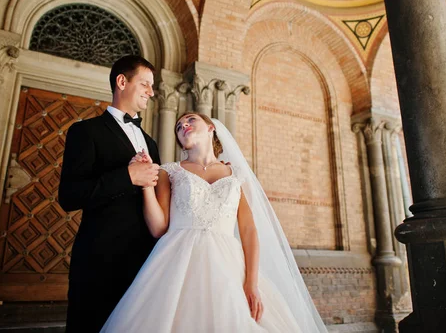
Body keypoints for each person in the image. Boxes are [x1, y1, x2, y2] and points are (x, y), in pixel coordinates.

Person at [100, 112, 328, 332]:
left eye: (190, 120)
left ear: (211, 128)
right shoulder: (169, 172)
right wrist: (147, 187)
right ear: (180, 141)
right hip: (176, 261)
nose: (183, 126)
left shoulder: (236, 174)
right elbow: (159, 228)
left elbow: (248, 230)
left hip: (229, 264)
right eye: (178, 127)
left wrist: (251, 282)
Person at [58, 55, 161, 333]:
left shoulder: (151, 143)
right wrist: (127, 176)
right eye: (145, 84)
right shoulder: (85, 132)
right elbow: (69, 196)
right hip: (99, 260)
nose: (151, 92)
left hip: (144, 263)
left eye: (152, 86)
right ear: (122, 81)